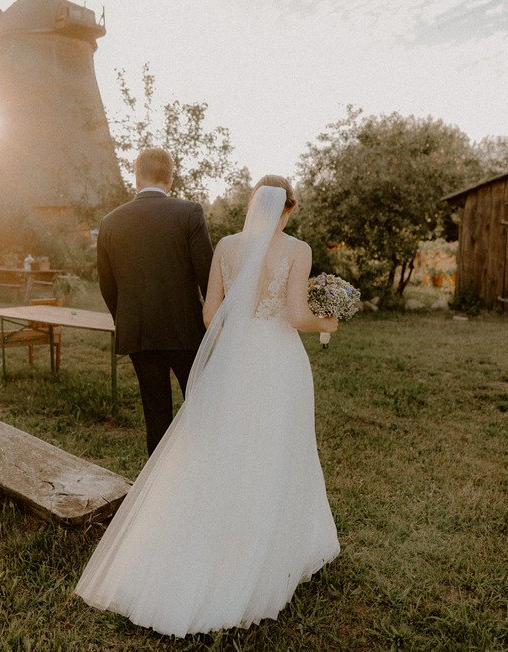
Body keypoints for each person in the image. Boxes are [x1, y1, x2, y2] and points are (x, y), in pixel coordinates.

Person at [75, 175, 340, 637]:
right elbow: (297, 316)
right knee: (275, 450)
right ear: (289, 208)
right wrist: (329, 321)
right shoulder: (298, 251)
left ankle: (208, 538)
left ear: (254, 204)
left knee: (224, 449)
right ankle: (265, 545)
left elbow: (208, 314)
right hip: (277, 362)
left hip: (235, 360)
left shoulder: (228, 247)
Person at [96, 148, 214, 456]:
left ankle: (158, 491)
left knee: (156, 413)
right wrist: (214, 324)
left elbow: (107, 286)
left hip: (138, 333)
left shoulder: (110, 221)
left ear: (136, 176)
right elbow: (208, 276)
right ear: (170, 178)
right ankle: (201, 473)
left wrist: (127, 318)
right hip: (186, 331)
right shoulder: (189, 212)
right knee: (201, 407)